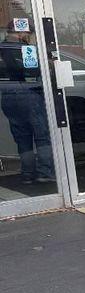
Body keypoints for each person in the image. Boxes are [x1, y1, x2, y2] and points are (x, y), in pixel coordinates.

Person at [0, 21, 55, 186]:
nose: (29, 38)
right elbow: (32, 71)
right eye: (29, 34)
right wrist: (48, 64)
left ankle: (27, 174)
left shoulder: (2, 48)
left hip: (7, 96)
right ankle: (45, 172)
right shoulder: (25, 49)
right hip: (28, 93)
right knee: (42, 135)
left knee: (22, 137)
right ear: (22, 33)